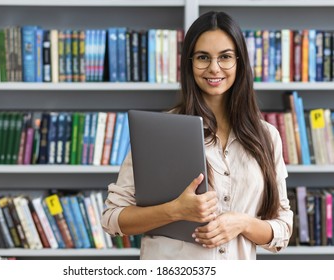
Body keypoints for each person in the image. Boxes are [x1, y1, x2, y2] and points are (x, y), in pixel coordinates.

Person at [101, 11, 293, 260]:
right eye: (203, 57)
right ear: (190, 63)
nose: (214, 68)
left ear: (240, 62)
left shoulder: (267, 137)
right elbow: (112, 218)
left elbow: (283, 229)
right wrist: (175, 210)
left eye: (225, 57)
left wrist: (242, 223)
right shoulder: (161, 132)